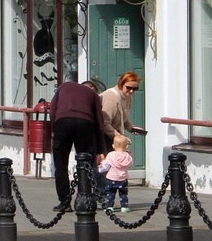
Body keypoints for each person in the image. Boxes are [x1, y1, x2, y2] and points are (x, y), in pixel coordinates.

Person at [48, 73, 105, 212]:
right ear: (91, 87)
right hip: (85, 124)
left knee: (60, 164)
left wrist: (55, 130)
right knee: (84, 162)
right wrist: (100, 150)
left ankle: (64, 202)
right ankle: (84, 199)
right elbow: (99, 122)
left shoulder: (64, 86)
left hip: (63, 123)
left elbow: (52, 111)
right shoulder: (94, 95)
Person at [101, 71, 144, 151]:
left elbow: (121, 116)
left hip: (112, 134)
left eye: (135, 88)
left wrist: (131, 128)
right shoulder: (111, 97)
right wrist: (120, 138)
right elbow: (104, 123)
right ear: (121, 84)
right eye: (128, 88)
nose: (131, 91)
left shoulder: (127, 97)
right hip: (102, 136)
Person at [97, 134, 134, 212]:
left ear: (113, 146)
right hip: (123, 178)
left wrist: (100, 169)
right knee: (123, 193)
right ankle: (124, 207)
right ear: (126, 146)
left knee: (110, 193)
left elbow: (106, 166)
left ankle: (110, 206)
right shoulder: (127, 156)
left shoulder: (111, 155)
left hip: (111, 178)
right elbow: (130, 164)